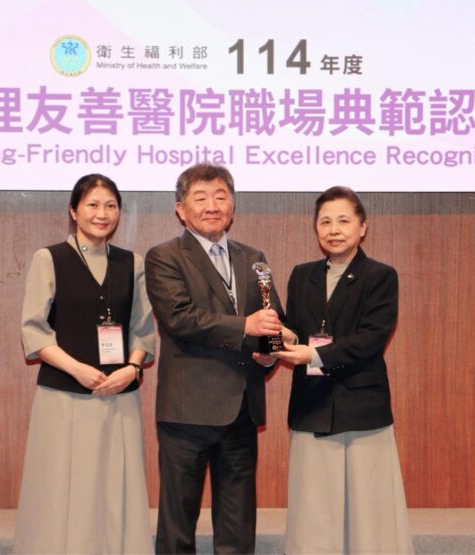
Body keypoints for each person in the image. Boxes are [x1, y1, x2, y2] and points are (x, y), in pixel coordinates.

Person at [145, 163, 284, 554]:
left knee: (238, 525)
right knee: (178, 524)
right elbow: (179, 318)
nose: (212, 206)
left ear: (232, 206)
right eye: (201, 197)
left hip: (242, 409)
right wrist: (245, 326)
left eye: (221, 196)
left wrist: (270, 356)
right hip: (188, 410)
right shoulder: (164, 257)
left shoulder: (254, 258)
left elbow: (273, 317)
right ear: (180, 209)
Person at [13, 174, 155, 554]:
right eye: (92, 204)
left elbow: (143, 330)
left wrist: (132, 369)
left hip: (118, 396)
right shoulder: (49, 259)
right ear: (74, 211)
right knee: (60, 487)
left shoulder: (132, 263)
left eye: (110, 205)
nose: (102, 213)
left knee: (114, 488)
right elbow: (34, 331)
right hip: (64, 396)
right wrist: (76, 368)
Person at [274, 186, 413, 554]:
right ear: (315, 228)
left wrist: (313, 355)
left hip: (361, 407)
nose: (333, 229)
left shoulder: (380, 276)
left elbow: (371, 338)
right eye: (325, 222)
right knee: (314, 509)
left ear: (362, 227)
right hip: (312, 404)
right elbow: (297, 329)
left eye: (343, 221)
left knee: (369, 510)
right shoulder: (302, 275)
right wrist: (284, 337)